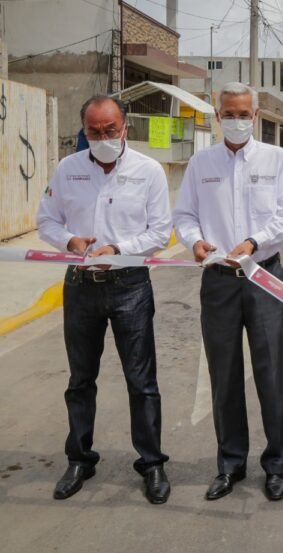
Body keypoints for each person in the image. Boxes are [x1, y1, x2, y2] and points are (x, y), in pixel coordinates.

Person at [36, 95, 172, 504]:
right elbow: (46, 220)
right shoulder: (68, 169)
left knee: (141, 381)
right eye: (94, 132)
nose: (103, 138)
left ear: (125, 127)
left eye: (110, 130)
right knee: (80, 380)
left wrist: (117, 249)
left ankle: (151, 463)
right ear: (85, 131)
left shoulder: (148, 171)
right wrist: (69, 240)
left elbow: (160, 232)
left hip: (130, 284)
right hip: (80, 285)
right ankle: (80, 458)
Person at [173, 82, 283, 502]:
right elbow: (186, 214)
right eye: (230, 113)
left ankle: (276, 465)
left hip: (264, 277)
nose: (238, 120)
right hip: (219, 281)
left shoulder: (276, 160)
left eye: (245, 114)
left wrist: (252, 243)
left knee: (272, 375)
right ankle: (230, 464)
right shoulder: (201, 163)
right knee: (223, 376)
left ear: (256, 117)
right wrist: (194, 242)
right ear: (217, 115)